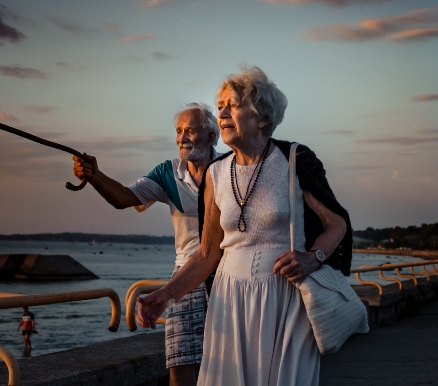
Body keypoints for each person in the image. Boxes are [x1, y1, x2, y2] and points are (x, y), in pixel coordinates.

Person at [137, 66, 353, 386]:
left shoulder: (294, 159)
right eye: (221, 105)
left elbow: (336, 224)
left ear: (262, 118)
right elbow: (207, 254)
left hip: (286, 298)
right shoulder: (215, 173)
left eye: (233, 104)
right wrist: (166, 296)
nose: (222, 112)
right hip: (229, 297)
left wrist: (314, 257)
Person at [72, 103, 221, 386]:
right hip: (185, 274)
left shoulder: (231, 170)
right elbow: (124, 197)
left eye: (190, 130)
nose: (182, 138)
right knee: (180, 361)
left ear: (211, 137)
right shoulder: (168, 173)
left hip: (226, 275)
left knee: (227, 360)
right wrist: (95, 176)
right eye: (178, 131)